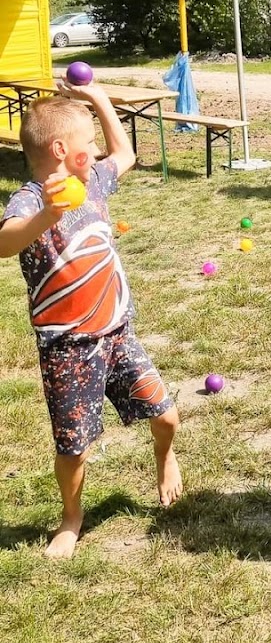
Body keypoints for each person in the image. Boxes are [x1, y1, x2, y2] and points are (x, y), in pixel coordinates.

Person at [0, 84, 182, 559]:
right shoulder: (30, 199)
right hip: (69, 347)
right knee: (74, 447)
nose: (96, 148)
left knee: (167, 417)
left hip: (118, 332)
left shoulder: (96, 180)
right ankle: (71, 517)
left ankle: (165, 460)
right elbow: (4, 241)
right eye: (88, 140)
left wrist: (98, 99)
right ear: (62, 150)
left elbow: (126, 153)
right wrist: (47, 214)